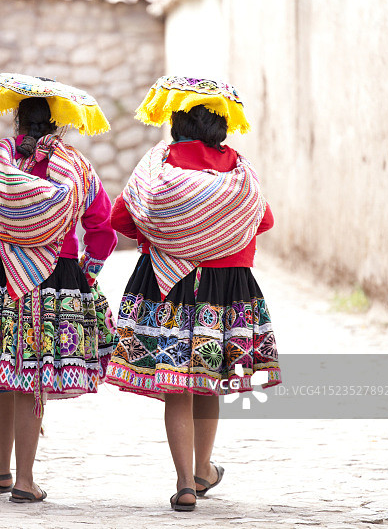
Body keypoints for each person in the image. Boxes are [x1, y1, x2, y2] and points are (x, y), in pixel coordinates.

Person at [0, 73, 117, 503]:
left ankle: (1, 466)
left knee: (4, 372)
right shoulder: (77, 168)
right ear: (57, 123)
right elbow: (102, 229)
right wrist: (88, 272)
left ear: (17, 120)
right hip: (55, 279)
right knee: (32, 377)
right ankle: (24, 480)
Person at [105, 76, 281, 511]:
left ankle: (185, 484)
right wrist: (216, 235)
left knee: (176, 385)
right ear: (222, 127)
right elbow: (263, 220)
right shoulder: (240, 171)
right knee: (207, 381)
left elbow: (122, 217)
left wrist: (172, 236)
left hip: (168, 284)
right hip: (227, 287)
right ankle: (203, 470)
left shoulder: (157, 165)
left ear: (177, 124)